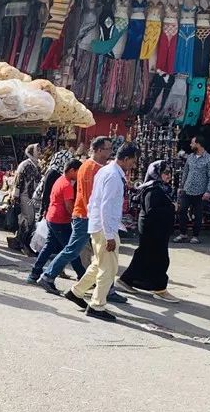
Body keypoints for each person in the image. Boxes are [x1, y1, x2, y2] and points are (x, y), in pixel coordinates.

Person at [33, 137, 126, 305]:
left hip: (87, 216)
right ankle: (48, 275)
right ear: (98, 150)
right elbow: (93, 198)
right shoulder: (91, 168)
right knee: (77, 251)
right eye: (107, 149)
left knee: (97, 256)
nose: (109, 152)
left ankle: (104, 287)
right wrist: (98, 220)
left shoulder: (94, 167)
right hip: (86, 217)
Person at [64, 144, 139, 322]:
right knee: (108, 268)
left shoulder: (105, 171)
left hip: (99, 225)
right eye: (133, 161)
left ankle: (77, 292)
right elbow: (106, 206)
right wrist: (110, 235)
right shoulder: (113, 176)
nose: (133, 166)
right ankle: (97, 305)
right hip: (106, 228)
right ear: (126, 159)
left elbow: (95, 201)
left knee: (98, 264)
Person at [117, 160, 179, 303]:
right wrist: (172, 208)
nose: (168, 176)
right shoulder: (153, 189)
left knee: (144, 255)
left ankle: (125, 280)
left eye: (170, 173)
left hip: (157, 228)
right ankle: (159, 289)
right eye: (165, 173)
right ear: (156, 173)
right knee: (160, 258)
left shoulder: (161, 188)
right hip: (152, 228)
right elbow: (151, 210)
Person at [30, 160, 86, 284]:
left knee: (49, 247)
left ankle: (35, 272)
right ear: (72, 170)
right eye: (78, 172)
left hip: (53, 218)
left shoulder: (60, 180)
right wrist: (76, 218)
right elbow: (68, 206)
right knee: (72, 250)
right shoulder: (67, 185)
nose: (79, 176)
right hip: (60, 220)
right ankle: (81, 275)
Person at [174, 136, 210, 244]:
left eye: (192, 143)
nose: (190, 145)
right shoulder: (190, 157)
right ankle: (182, 233)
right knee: (182, 211)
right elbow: (185, 173)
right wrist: (181, 186)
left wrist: (208, 191)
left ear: (198, 144)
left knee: (198, 214)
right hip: (187, 189)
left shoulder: (209, 159)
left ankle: (195, 235)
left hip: (200, 191)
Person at [11, 143, 42, 254]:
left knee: (31, 219)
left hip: (33, 196)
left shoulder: (37, 165)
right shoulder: (25, 164)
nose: (39, 152)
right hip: (25, 195)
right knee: (28, 218)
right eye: (37, 150)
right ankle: (21, 242)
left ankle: (20, 240)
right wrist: (15, 195)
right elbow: (18, 180)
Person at [34, 146, 75, 222]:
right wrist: (45, 209)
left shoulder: (56, 171)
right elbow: (46, 192)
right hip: (49, 208)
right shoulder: (53, 173)